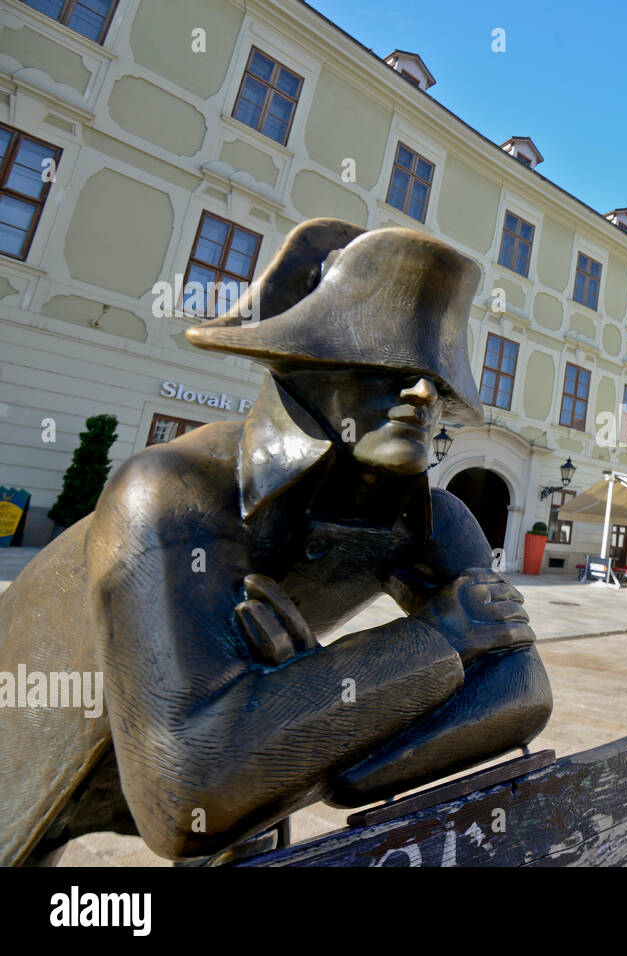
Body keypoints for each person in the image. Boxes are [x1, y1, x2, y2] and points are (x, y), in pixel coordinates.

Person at [0, 221, 551, 865]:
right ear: (307, 366)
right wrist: (437, 643)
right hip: (29, 741)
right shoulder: (172, 488)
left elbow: (522, 696)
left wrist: (305, 708)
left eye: (436, 374)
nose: (424, 392)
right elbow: (188, 793)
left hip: (222, 770)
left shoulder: (435, 519)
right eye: (389, 364)